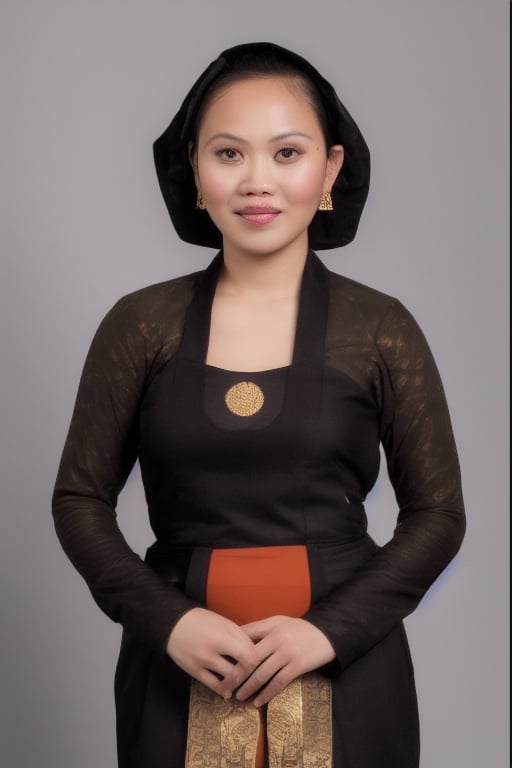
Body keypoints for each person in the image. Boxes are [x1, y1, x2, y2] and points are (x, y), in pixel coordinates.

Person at [52, 42, 465, 768]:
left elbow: (438, 515)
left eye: (286, 153)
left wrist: (328, 631)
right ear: (196, 172)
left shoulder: (380, 329)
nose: (257, 182)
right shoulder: (140, 325)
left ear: (329, 170)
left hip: (347, 663)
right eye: (229, 154)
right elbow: (79, 499)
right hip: (178, 668)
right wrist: (169, 622)